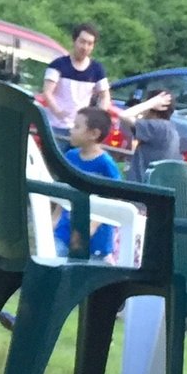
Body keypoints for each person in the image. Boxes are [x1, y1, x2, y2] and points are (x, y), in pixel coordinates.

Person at [52, 104, 123, 260]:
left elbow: (115, 197)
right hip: (65, 229)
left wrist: (93, 224)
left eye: (77, 126)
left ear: (94, 133)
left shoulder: (106, 164)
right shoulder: (70, 156)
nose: (71, 130)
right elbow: (64, 190)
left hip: (95, 238)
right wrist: (55, 218)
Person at [40, 25, 109, 138]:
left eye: (90, 44)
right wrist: (58, 112)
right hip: (56, 126)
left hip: (81, 129)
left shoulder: (97, 69)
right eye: (82, 42)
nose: (85, 47)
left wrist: (97, 118)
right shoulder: (57, 65)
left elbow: (105, 96)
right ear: (74, 41)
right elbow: (47, 92)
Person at [122, 94, 180, 182]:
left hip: (141, 185)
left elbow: (124, 115)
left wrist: (150, 103)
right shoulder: (167, 128)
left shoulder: (156, 126)